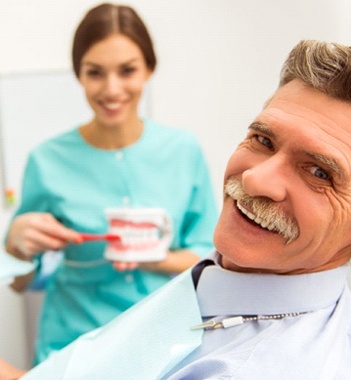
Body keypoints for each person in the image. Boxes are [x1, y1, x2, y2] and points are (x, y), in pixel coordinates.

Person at [2, 38, 351, 379]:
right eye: (263, 139)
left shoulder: (255, 364)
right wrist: (16, 250)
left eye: (318, 172)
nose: (254, 180)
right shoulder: (232, 276)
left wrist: (157, 258)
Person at [4, 3, 218, 366]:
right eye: (95, 72)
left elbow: (211, 259)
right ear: (79, 75)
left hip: (163, 346)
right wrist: (15, 246)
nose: (111, 88)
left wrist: (157, 259)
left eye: (127, 70)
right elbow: (21, 283)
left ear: (149, 68)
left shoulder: (183, 150)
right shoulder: (47, 160)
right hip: (72, 349)